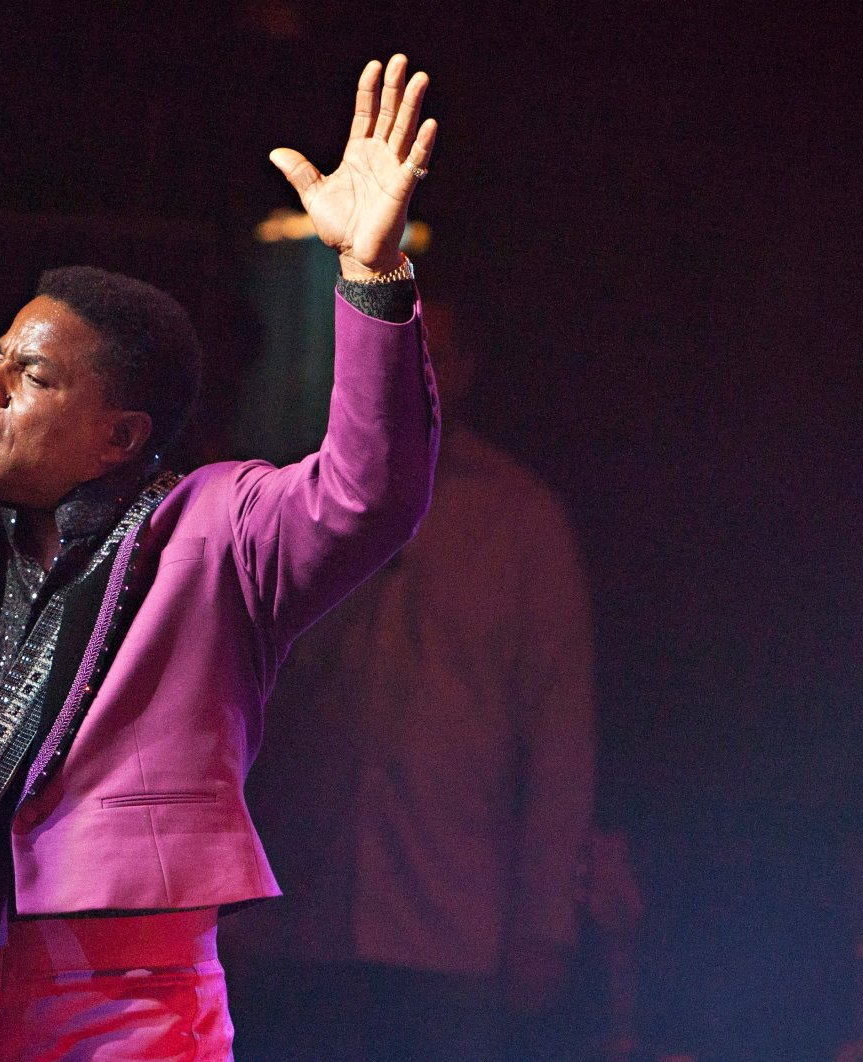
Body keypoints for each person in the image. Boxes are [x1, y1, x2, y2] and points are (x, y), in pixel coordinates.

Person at [0, 55, 441, 1061]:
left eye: (29, 375)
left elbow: (368, 491)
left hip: (132, 1000)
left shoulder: (218, 530)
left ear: (120, 436)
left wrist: (372, 279)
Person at [223, 300, 596, 1062]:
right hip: (297, 906)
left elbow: (560, 733)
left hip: (449, 914)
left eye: (434, 350)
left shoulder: (519, 516)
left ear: (465, 369)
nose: (413, 365)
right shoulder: (294, 492)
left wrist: (542, 922)